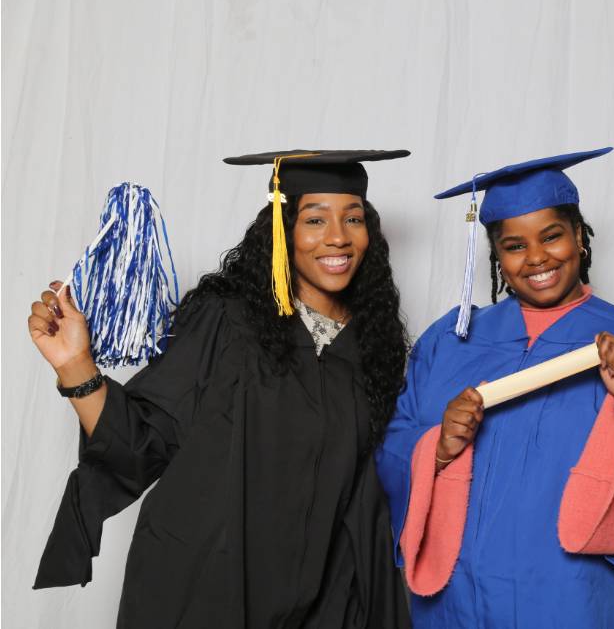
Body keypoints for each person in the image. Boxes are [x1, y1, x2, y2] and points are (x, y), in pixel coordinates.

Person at [28, 150, 412, 628]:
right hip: (203, 593)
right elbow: (140, 446)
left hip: (323, 606)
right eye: (315, 219)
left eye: (353, 218)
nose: (338, 236)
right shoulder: (227, 322)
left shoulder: (374, 349)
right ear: (283, 228)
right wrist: (75, 366)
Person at [376, 147, 614, 627]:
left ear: (579, 236)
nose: (536, 257)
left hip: (576, 599)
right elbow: (393, 452)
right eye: (514, 245)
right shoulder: (450, 342)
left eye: (552, 236)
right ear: (496, 255)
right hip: (458, 600)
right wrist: (436, 449)